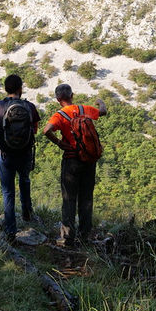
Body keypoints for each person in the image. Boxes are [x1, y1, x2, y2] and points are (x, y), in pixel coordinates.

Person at [42, 84, 107, 247]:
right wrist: (100, 102)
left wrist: (58, 142)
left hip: (71, 160)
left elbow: (46, 130)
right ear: (72, 95)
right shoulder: (83, 108)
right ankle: (85, 235)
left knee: (69, 198)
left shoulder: (60, 115)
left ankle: (68, 236)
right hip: (89, 160)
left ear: (58, 100)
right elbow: (103, 112)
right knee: (86, 198)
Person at [0, 74, 40, 242]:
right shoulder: (30, 106)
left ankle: (11, 229)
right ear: (21, 88)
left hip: (5, 153)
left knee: (8, 191)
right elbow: (35, 129)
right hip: (25, 152)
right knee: (25, 180)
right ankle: (27, 212)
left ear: (5, 88)